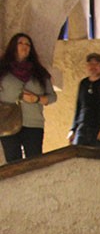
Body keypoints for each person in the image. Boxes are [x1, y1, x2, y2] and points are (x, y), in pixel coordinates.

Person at [0, 33, 57, 162]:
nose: (24, 46)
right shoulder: (3, 70)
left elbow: (52, 97)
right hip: (8, 121)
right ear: (13, 46)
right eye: (20, 43)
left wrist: (37, 99)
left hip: (33, 123)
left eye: (28, 44)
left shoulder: (39, 72)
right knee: (13, 164)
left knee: (34, 162)